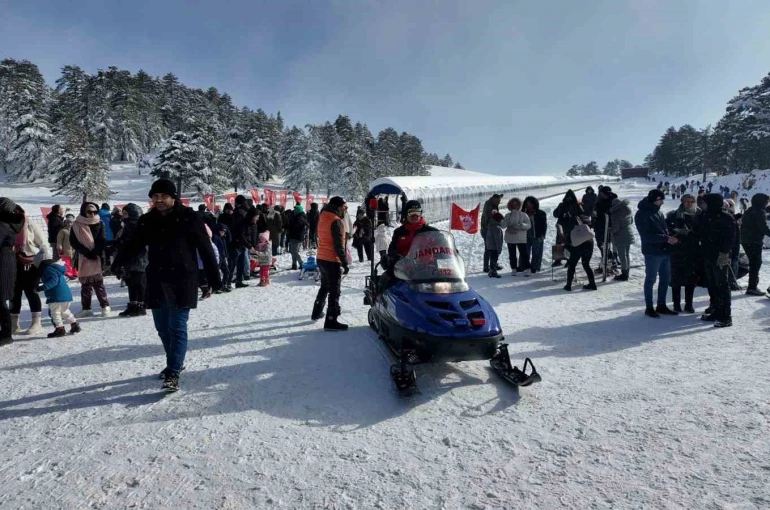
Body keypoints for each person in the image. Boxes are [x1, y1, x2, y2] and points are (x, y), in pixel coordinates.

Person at [112, 179, 222, 392]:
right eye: (155, 196)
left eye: (163, 196)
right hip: (156, 279)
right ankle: (175, 361)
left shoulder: (190, 218)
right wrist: (118, 263)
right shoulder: (147, 220)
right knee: (162, 328)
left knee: (177, 327)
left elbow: (205, 249)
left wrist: (213, 279)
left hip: (183, 280)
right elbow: (134, 245)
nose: (159, 200)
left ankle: (173, 372)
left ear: (173, 197)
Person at [635, 189, 679, 318]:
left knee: (666, 279)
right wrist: (665, 238)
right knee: (651, 279)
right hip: (652, 252)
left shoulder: (657, 211)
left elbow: (662, 229)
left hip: (664, 250)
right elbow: (646, 235)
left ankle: (661, 304)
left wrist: (671, 233)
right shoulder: (642, 214)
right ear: (654, 200)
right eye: (660, 200)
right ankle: (649, 307)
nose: (663, 202)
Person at [311, 196, 350, 331]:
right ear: (339, 207)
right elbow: (338, 245)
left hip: (321, 256)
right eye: (344, 207)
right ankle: (331, 320)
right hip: (332, 259)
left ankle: (316, 312)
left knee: (325, 286)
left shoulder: (323, 216)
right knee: (334, 290)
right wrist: (345, 263)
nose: (345, 210)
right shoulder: (336, 221)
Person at [11, 206, 50, 335]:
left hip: (30, 263)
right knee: (14, 294)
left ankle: (36, 322)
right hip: (11, 263)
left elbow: (43, 243)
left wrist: (45, 263)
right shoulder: (5, 226)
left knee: (31, 292)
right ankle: (14, 323)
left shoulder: (30, 224)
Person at [699, 193, 736, 328]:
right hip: (708, 256)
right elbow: (701, 233)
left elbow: (730, 238)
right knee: (712, 285)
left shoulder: (726, 218)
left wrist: (725, 253)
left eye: (704, 203)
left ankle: (726, 316)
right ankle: (716, 311)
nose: (701, 205)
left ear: (712, 203)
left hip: (720, 257)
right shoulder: (706, 216)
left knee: (722, 286)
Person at [70, 203, 111, 318]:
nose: (92, 214)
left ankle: (105, 306)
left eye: (94, 212)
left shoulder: (100, 222)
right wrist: (86, 253)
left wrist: (95, 252)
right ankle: (86, 308)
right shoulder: (76, 224)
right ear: (84, 211)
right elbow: (73, 242)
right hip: (83, 257)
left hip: (97, 257)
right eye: (89, 212)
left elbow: (102, 239)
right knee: (85, 285)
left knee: (98, 283)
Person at [554, 190, 596, 292]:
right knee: (586, 264)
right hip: (588, 240)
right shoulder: (582, 213)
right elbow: (590, 223)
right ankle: (592, 284)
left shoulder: (567, 218)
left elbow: (556, 216)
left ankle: (568, 285)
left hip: (576, 242)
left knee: (572, 264)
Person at [665, 194, 701, 313]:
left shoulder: (700, 215)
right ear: (682, 202)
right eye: (686, 201)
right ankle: (676, 304)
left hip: (693, 252)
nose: (689, 203)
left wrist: (692, 234)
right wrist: (675, 233)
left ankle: (689, 304)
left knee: (691, 280)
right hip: (677, 251)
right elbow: (667, 230)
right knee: (676, 279)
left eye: (692, 201)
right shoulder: (673, 215)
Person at [112, 204, 148, 317]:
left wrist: (123, 246)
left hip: (138, 259)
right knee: (130, 282)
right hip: (129, 258)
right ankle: (133, 305)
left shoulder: (138, 226)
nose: (123, 216)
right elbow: (123, 241)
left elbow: (137, 244)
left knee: (139, 283)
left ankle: (141, 306)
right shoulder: (127, 226)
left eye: (126, 214)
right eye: (123, 214)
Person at [0, 198, 24, 346]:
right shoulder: (10, 223)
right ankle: (6, 332)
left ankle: (6, 333)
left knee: (0, 300)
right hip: (6, 263)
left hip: (2, 264)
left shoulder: (2, 225)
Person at [38, 259, 81, 337]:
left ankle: (60, 329)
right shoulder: (57, 269)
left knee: (55, 313)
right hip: (66, 295)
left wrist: (42, 288)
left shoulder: (48, 269)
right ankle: (74, 325)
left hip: (56, 296)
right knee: (65, 311)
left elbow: (53, 281)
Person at [740, 193, 770, 296]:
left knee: (754, 263)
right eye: (766, 202)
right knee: (755, 263)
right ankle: (752, 287)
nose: (767, 204)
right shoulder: (759, 211)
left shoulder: (749, 210)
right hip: (754, 241)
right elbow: (763, 227)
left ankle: (752, 285)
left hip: (746, 240)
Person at [609, 197, 635, 281]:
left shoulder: (615, 213)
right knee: (626, 254)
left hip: (620, 236)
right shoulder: (628, 210)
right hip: (629, 233)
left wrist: (609, 230)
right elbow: (631, 221)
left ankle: (624, 274)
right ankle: (627, 271)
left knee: (622, 255)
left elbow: (615, 228)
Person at [503, 197, 531, 275]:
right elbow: (503, 225)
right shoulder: (508, 215)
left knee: (523, 254)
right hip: (510, 237)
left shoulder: (524, 215)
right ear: (510, 205)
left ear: (519, 205)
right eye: (513, 204)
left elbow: (529, 225)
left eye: (516, 204)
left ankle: (527, 268)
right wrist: (501, 220)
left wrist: (522, 225)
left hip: (520, 238)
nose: (514, 205)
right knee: (512, 254)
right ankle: (514, 268)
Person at [229, 195, 252, 288]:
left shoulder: (238, 212)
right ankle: (239, 280)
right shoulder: (246, 210)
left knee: (233, 262)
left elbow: (237, 228)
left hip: (237, 239)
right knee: (241, 261)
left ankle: (228, 282)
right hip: (244, 238)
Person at [523, 196, 547, 274]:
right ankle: (524, 266)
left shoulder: (541, 214)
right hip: (525, 236)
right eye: (527, 204)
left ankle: (534, 267)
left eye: (530, 203)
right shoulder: (523, 213)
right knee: (525, 252)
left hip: (536, 235)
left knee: (536, 252)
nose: (528, 205)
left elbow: (544, 225)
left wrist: (543, 235)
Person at [481, 193, 503, 273]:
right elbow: (490, 219)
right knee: (489, 248)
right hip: (487, 230)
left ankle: (493, 265)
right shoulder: (489, 207)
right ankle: (486, 267)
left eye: (499, 201)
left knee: (492, 248)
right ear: (493, 199)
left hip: (489, 229)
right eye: (498, 201)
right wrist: (497, 223)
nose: (499, 203)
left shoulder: (493, 203)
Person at [485, 210, 505, 278]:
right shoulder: (497, 228)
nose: (502, 221)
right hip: (494, 247)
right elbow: (498, 240)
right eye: (501, 220)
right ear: (498, 220)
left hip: (489, 246)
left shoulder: (490, 226)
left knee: (492, 259)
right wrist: (499, 249)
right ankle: (493, 272)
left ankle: (491, 271)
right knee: (494, 259)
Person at [212, 223, 231, 293]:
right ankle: (216, 287)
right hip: (218, 258)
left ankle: (224, 285)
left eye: (224, 232)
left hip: (223, 257)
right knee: (217, 273)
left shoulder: (222, 238)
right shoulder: (215, 237)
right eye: (222, 231)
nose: (223, 233)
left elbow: (224, 248)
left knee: (226, 272)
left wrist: (226, 255)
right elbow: (215, 249)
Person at [289, 204, 309, 270]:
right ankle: (294, 264)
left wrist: (290, 225)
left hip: (297, 236)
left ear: (298, 210)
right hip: (294, 236)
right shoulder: (297, 216)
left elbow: (296, 227)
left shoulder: (300, 218)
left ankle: (301, 263)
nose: (294, 210)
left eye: (295, 209)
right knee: (293, 251)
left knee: (294, 251)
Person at [57, 214, 77, 279]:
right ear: (66, 223)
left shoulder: (75, 230)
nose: (69, 224)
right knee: (67, 263)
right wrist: (59, 248)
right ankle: (69, 273)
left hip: (74, 249)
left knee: (74, 261)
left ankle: (75, 272)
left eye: (71, 222)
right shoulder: (63, 231)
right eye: (68, 222)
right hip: (66, 250)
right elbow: (59, 240)